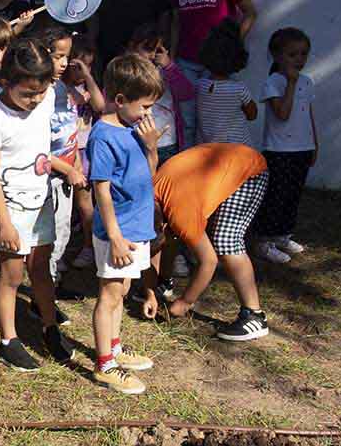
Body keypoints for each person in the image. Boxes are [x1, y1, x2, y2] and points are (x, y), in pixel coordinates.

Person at [0, 37, 84, 371]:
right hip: (11, 210)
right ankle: (8, 339)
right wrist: (4, 222)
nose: (34, 99)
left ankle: (49, 327)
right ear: (5, 82)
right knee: (11, 275)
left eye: (40, 92)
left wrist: (65, 167)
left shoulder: (48, 98)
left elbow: (39, 152)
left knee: (41, 267)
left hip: (41, 203)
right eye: (26, 93)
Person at [87, 55, 163, 395]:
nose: (148, 114)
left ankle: (114, 347)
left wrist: (151, 149)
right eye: (144, 106)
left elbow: (148, 174)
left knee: (124, 288)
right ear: (119, 100)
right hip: (118, 231)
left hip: (136, 227)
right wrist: (115, 237)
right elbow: (100, 190)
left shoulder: (133, 130)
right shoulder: (103, 136)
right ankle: (104, 364)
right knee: (111, 292)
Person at [154, 143, 271, 341]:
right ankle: (164, 282)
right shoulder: (153, 193)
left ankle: (254, 316)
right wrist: (155, 285)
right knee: (173, 236)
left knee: (225, 241)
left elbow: (208, 261)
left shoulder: (180, 212)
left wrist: (185, 301)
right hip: (227, 163)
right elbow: (163, 240)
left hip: (249, 170)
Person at [169, 0, 258, 117]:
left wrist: (233, 43)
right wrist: (172, 59)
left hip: (219, 64)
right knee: (188, 121)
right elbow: (176, 24)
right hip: (187, 64)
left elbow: (250, 13)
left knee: (220, 118)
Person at [251, 27, 318, 264]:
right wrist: (289, 84)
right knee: (276, 196)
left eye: (303, 54)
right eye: (292, 55)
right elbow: (282, 113)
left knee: (293, 195)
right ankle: (262, 241)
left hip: (302, 149)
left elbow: (307, 115)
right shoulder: (274, 82)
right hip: (279, 152)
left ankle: (282, 235)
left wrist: (314, 144)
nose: (299, 60)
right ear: (277, 56)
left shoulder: (307, 82)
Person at [42, 24, 81, 297]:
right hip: (50, 178)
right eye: (58, 56)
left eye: (67, 56)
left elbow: (71, 129)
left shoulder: (63, 89)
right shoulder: (39, 94)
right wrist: (67, 168)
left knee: (62, 234)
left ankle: (50, 285)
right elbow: (36, 146)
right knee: (50, 239)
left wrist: (75, 162)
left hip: (66, 176)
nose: (64, 63)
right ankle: (44, 294)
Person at [129, 24, 195, 166]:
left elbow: (187, 93)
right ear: (133, 47)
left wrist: (169, 66)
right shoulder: (126, 72)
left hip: (167, 142)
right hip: (137, 142)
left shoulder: (166, 71)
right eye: (147, 49)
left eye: (156, 50)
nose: (152, 55)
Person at [64, 37, 105, 271]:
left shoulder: (89, 87)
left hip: (86, 150)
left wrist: (88, 77)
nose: (82, 71)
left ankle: (89, 246)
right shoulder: (59, 87)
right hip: (65, 150)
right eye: (79, 65)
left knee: (85, 201)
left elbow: (99, 106)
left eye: (88, 65)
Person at [194, 20, 257, 146]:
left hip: (209, 150)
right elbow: (252, 115)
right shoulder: (239, 89)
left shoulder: (198, 86)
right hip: (237, 150)